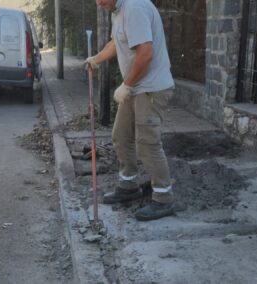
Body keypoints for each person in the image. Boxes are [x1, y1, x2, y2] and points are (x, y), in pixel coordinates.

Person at [86, 0, 175, 221]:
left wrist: (126, 85)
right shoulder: (117, 11)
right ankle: (129, 186)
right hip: (136, 87)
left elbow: (145, 54)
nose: (98, 3)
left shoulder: (134, 9)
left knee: (147, 143)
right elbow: (117, 42)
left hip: (151, 88)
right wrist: (96, 59)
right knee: (121, 136)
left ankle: (164, 199)